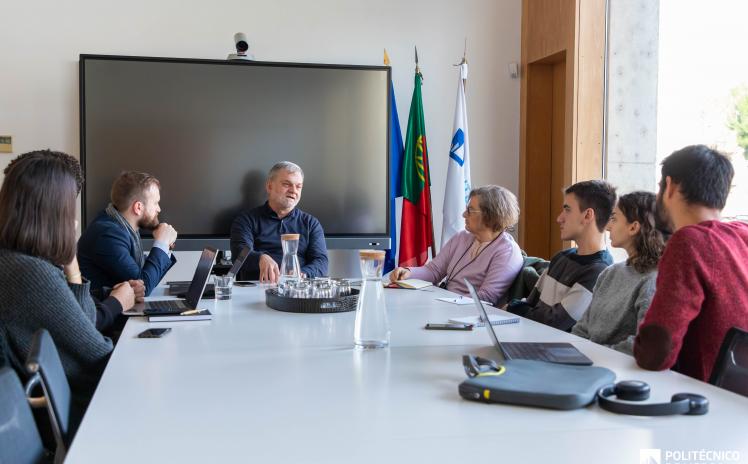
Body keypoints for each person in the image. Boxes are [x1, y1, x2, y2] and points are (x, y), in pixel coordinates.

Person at [0, 150, 117, 432]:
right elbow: (97, 355)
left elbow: (83, 326)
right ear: (56, 212)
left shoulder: (18, 260)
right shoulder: (29, 274)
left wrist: (71, 264)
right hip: (65, 423)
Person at [634, 145, 748, 382]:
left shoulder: (690, 241)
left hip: (707, 400)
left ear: (671, 186)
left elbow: (657, 353)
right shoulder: (742, 235)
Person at [507, 180, 616, 331]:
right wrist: (517, 308)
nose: (559, 218)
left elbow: (554, 322)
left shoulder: (599, 271)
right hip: (530, 336)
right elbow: (530, 303)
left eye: (567, 209)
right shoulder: (561, 257)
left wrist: (512, 307)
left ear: (588, 215)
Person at [389, 185, 523, 304]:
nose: (464, 214)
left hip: (468, 316)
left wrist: (445, 302)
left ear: (491, 215)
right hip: (446, 303)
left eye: (470, 210)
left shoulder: (507, 251)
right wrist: (408, 273)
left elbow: (486, 297)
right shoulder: (462, 237)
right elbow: (434, 271)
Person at [572, 191, 665, 354]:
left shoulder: (653, 281)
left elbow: (641, 344)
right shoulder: (609, 273)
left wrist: (593, 355)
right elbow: (582, 329)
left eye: (614, 219)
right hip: (587, 363)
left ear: (633, 227)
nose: (607, 227)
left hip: (617, 369)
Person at [78, 171, 178, 297]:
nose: (159, 209)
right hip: (102, 315)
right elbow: (144, 285)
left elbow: (145, 278)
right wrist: (161, 244)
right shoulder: (108, 235)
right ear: (138, 207)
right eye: (155, 203)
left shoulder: (122, 229)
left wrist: (165, 247)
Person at [230, 161, 328, 282]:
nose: (293, 190)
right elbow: (239, 254)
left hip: (297, 290)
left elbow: (321, 262)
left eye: (298, 186)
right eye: (287, 184)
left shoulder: (311, 223)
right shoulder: (246, 220)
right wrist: (260, 258)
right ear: (269, 186)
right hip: (258, 289)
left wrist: (302, 274)